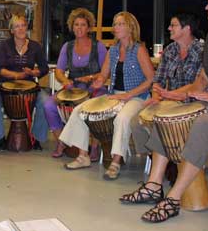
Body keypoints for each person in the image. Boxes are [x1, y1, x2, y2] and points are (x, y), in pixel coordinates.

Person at [120, 0, 208, 223]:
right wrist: (178, 95)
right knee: (166, 115)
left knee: (204, 125)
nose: (206, 8)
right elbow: (203, 79)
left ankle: (173, 199)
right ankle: (153, 186)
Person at [60, 11, 154, 180]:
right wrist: (99, 81)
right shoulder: (114, 50)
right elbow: (103, 74)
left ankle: (116, 162)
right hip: (115, 95)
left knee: (122, 119)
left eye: (120, 24)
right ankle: (83, 156)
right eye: (115, 24)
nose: (115, 27)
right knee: (80, 111)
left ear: (130, 28)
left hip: (137, 97)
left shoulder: (139, 49)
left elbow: (150, 80)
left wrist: (128, 95)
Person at [131, 12, 204, 155]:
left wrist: (170, 95)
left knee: (162, 121)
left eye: (173, 25)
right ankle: (155, 156)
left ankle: (172, 158)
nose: (169, 28)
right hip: (170, 100)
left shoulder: (202, 51)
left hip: (192, 101)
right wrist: (156, 97)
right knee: (136, 121)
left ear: (187, 28)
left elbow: (198, 84)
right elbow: (158, 80)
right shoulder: (170, 50)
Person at [43, 8, 108, 158]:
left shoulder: (98, 46)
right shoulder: (68, 46)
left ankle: (95, 145)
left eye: (83, 25)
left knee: (95, 109)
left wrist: (91, 77)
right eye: (76, 24)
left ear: (89, 27)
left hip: (94, 87)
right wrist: (65, 81)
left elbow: (106, 71)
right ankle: (62, 141)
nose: (79, 28)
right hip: (74, 88)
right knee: (49, 105)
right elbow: (59, 70)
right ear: (72, 27)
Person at [0, 15, 49, 151]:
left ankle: (37, 138)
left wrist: (35, 73)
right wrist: (17, 75)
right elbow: (0, 69)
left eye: (23, 25)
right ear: (11, 30)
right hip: (4, 84)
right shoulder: (3, 46)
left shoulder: (35, 46)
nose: (21, 29)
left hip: (29, 85)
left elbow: (44, 68)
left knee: (46, 102)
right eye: (17, 26)